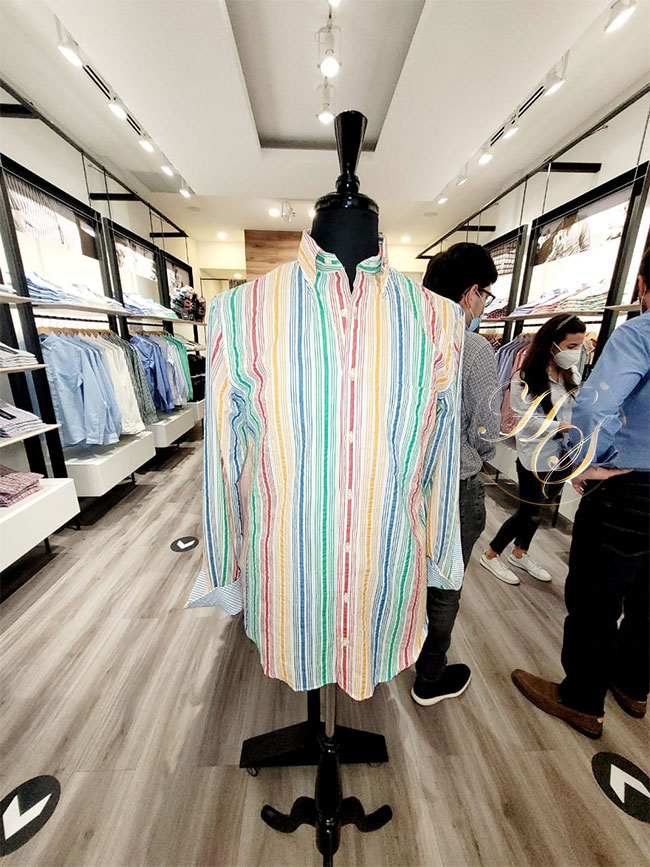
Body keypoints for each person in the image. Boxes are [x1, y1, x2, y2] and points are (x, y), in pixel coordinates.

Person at [512, 249, 650, 738]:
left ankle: (581, 699)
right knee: (648, 598)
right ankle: (634, 685)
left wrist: (586, 461)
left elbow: (595, 408)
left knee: (596, 596)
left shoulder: (639, 334)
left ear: (642, 284)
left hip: (629, 486)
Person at [412, 242, 500, 707]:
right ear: (470, 293)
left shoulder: (404, 339)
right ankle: (429, 676)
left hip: (406, 483)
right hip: (455, 487)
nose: (484, 305)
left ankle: (392, 651)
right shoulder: (474, 348)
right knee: (445, 582)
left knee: (405, 572)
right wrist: (480, 452)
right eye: (486, 295)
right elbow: (486, 430)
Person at [480, 313, 586, 585]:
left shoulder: (570, 373)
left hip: (561, 455)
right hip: (534, 457)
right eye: (572, 346)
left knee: (542, 510)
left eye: (580, 345)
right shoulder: (524, 377)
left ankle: (520, 552)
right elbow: (526, 420)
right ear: (552, 343)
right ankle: (491, 554)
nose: (577, 352)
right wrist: (561, 427)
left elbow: (575, 408)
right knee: (529, 512)